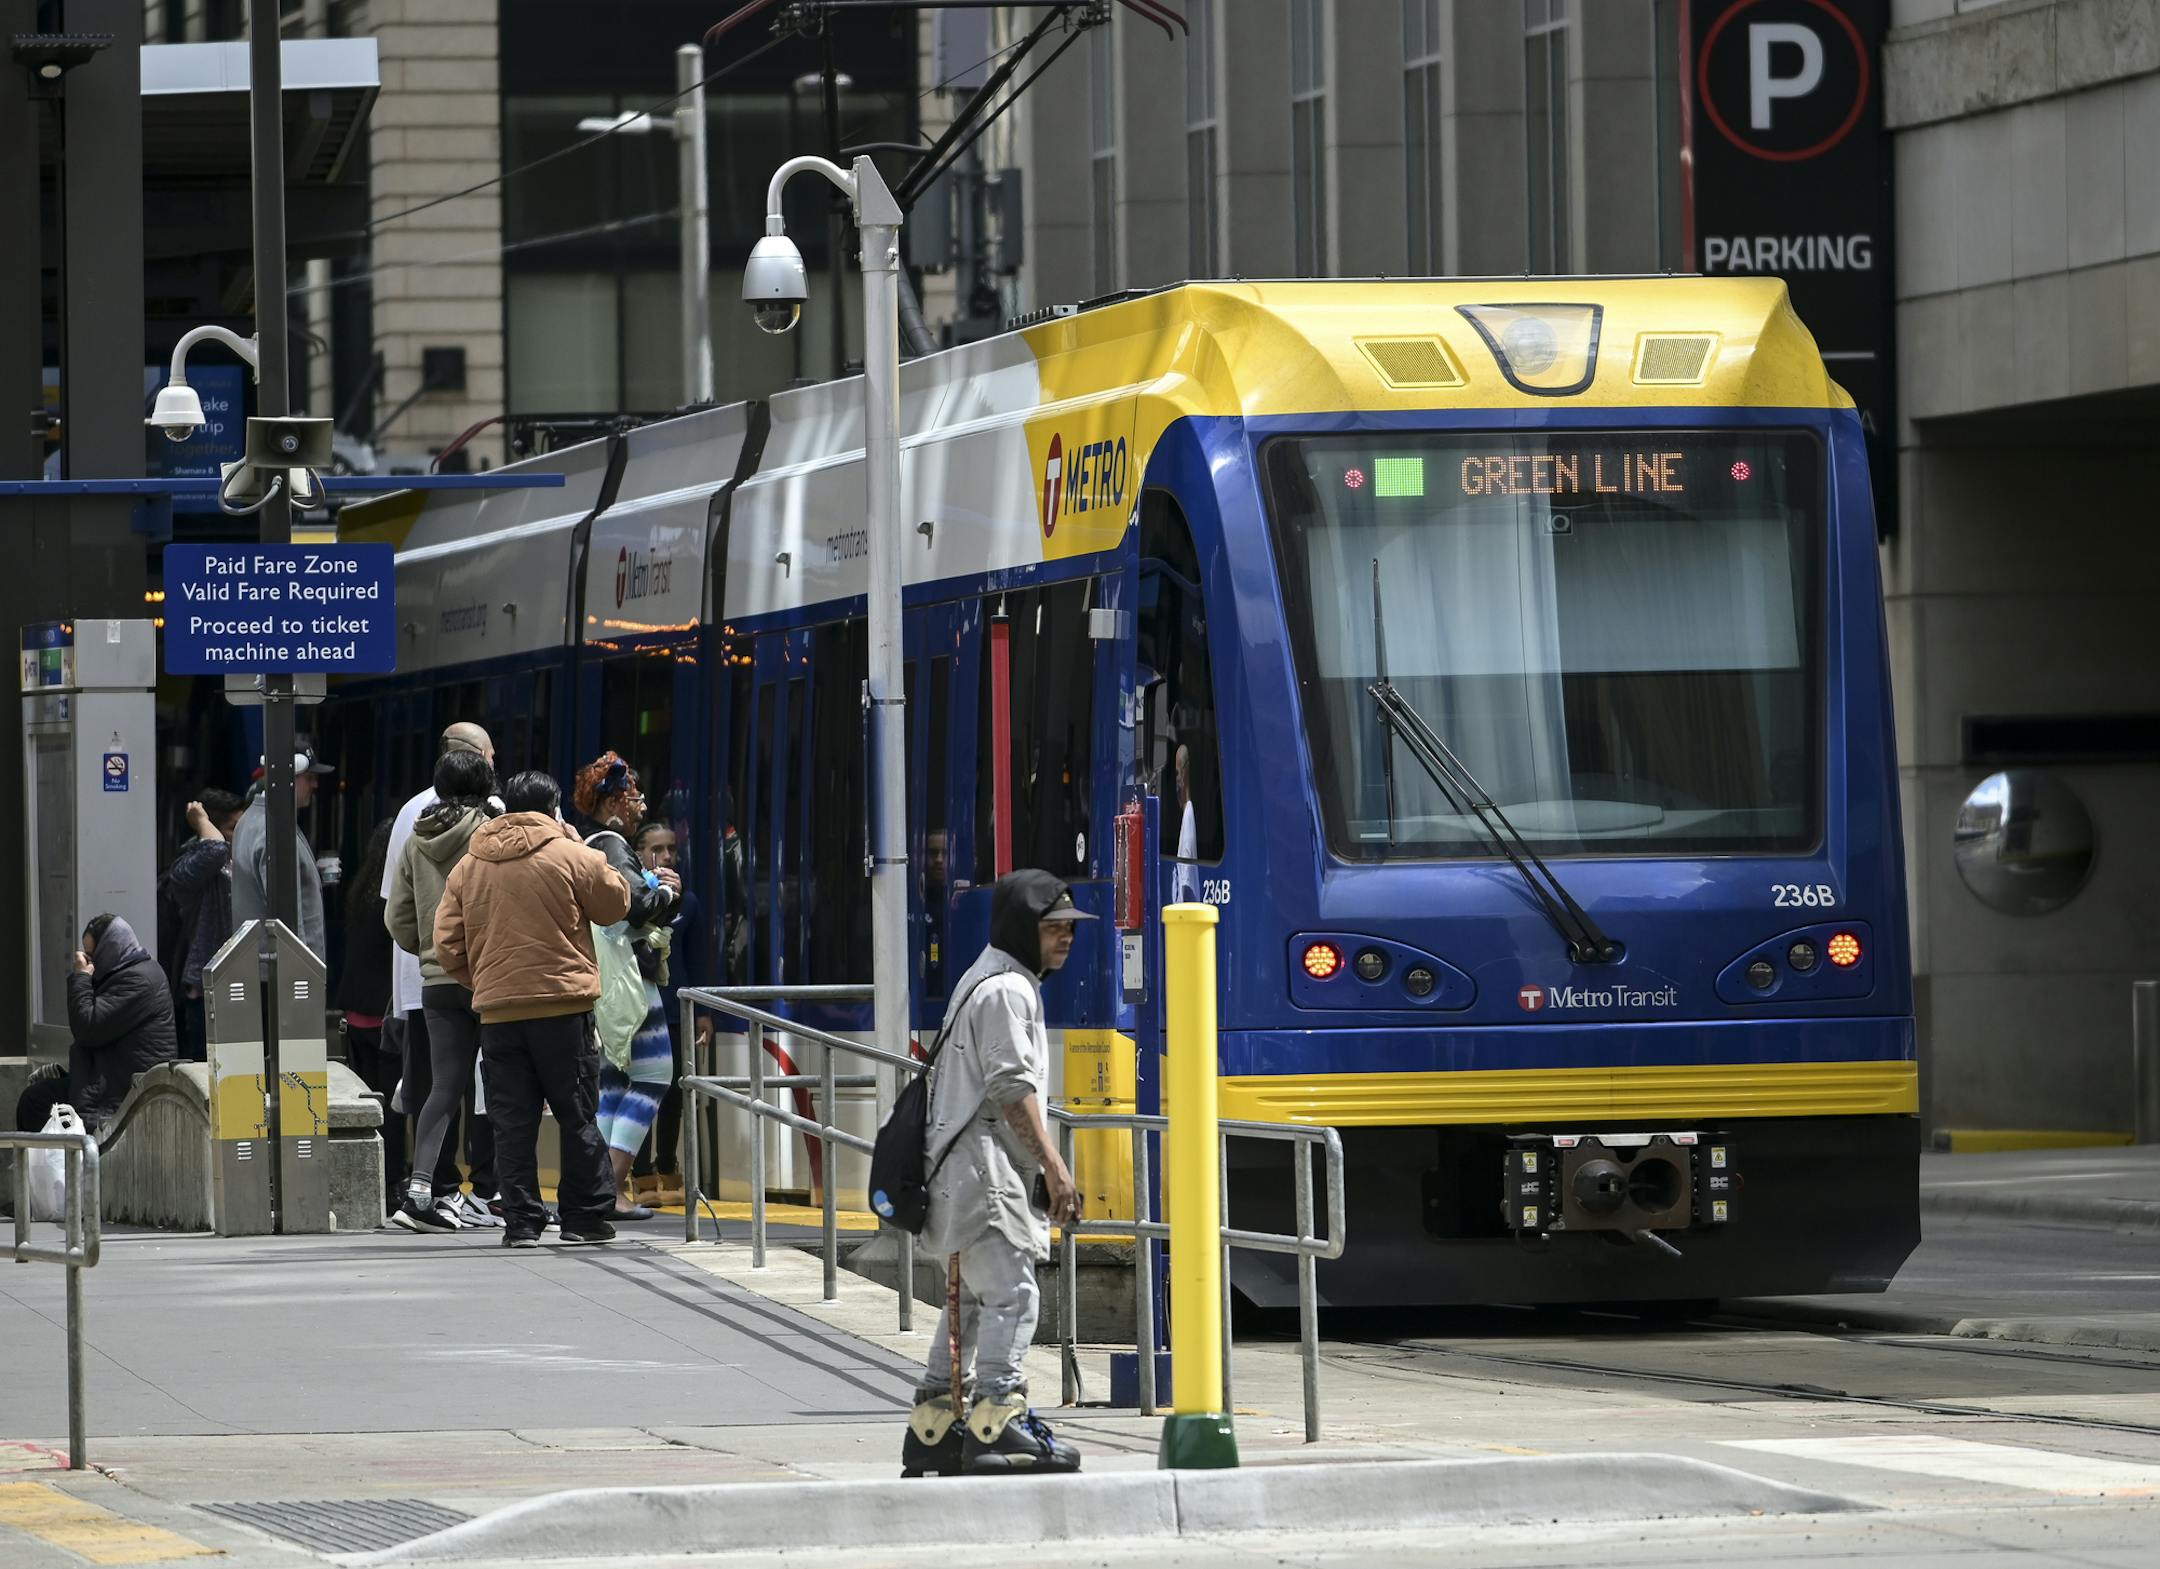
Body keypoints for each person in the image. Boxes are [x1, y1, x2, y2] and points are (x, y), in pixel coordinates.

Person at [902, 869, 1090, 1479]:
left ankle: (934, 1425)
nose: (1066, 938)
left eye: (1069, 928)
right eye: (1054, 927)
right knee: (1012, 1292)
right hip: (981, 1166)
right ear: (1021, 928)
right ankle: (997, 1422)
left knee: (977, 1300)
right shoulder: (1008, 989)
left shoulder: (981, 978)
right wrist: (1055, 1167)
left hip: (957, 1163)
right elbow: (1012, 1087)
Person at [434, 769, 631, 1247]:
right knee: (576, 1113)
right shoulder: (569, 852)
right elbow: (616, 904)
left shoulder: (470, 864)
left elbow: (446, 944)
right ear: (553, 808)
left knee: (512, 1120)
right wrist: (574, 841)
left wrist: (483, 980)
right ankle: (583, 1218)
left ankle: (521, 1222)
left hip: (499, 1014)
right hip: (563, 1010)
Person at [382, 722, 498, 1228]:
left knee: (443, 1087)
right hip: (490, 980)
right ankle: (506, 1196)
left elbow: (395, 918)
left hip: (436, 983)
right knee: (501, 1088)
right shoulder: (492, 832)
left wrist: (430, 952)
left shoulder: (416, 833)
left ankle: (420, 1194)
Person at [572, 753, 681, 1222]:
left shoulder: (591, 843)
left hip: (609, 978)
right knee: (655, 1073)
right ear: (615, 800)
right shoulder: (614, 844)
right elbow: (636, 906)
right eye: (635, 798)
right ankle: (613, 1187)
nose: (641, 807)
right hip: (631, 980)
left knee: (615, 1083)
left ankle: (598, 1188)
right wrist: (667, 892)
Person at [629, 818, 709, 1208]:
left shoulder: (688, 901)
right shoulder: (629, 895)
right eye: (656, 850)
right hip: (638, 1007)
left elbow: (697, 957)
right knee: (643, 1087)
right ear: (639, 854)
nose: (665, 857)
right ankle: (639, 1172)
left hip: (676, 1007)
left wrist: (704, 1011)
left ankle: (668, 1165)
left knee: (675, 1091)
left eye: (671, 850)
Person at [336, 819, 406, 1211]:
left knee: (371, 1103)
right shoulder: (394, 895)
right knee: (394, 1107)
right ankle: (393, 1180)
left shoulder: (360, 891)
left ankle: (376, 1177)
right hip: (384, 1017)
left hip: (356, 1013)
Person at [63, 915, 178, 1131]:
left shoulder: (139, 980)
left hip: (124, 1093)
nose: (88, 963)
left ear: (109, 951)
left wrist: (81, 978)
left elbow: (87, 1027)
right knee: (36, 1098)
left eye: (92, 956)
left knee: (38, 1105)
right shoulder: (123, 972)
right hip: (108, 1080)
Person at [230, 736, 335, 961]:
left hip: (262, 966)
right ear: (290, 777)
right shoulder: (274, 830)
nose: (315, 785)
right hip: (283, 974)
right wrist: (304, 973)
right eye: (310, 778)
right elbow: (288, 919)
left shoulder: (248, 821)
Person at [161, 787, 245, 1061]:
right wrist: (200, 820)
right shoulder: (190, 866)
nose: (240, 835)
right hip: (204, 993)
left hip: (237, 986)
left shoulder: (237, 861)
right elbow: (214, 850)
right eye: (234, 828)